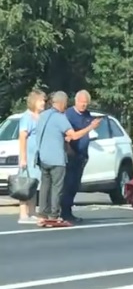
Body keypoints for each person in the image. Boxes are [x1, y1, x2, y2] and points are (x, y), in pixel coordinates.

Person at [36, 91, 100, 224]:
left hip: (43, 157)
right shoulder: (61, 117)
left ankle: (43, 213)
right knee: (57, 187)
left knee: (45, 186)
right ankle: (54, 215)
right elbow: (73, 136)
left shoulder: (43, 115)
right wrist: (91, 127)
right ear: (62, 103)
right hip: (57, 158)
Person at [62, 90, 94, 222]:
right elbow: (68, 135)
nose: (83, 106)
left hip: (82, 155)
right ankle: (64, 212)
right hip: (71, 154)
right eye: (82, 103)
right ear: (76, 101)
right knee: (68, 184)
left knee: (75, 185)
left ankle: (68, 211)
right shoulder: (68, 114)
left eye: (86, 103)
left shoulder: (87, 115)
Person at [17, 90, 47, 224]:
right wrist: (23, 158)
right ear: (34, 101)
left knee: (34, 184)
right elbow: (22, 137)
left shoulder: (41, 117)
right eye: (41, 100)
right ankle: (23, 214)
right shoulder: (26, 117)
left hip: (37, 157)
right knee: (25, 184)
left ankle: (32, 211)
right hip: (28, 157)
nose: (43, 103)